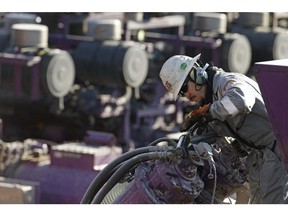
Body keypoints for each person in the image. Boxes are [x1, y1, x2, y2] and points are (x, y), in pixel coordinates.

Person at [159, 53, 288, 204]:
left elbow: (241, 100)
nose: (186, 95)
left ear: (197, 74)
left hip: (277, 148)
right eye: (181, 93)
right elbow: (214, 132)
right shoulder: (214, 100)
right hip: (260, 155)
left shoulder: (225, 82)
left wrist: (208, 112)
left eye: (184, 88)